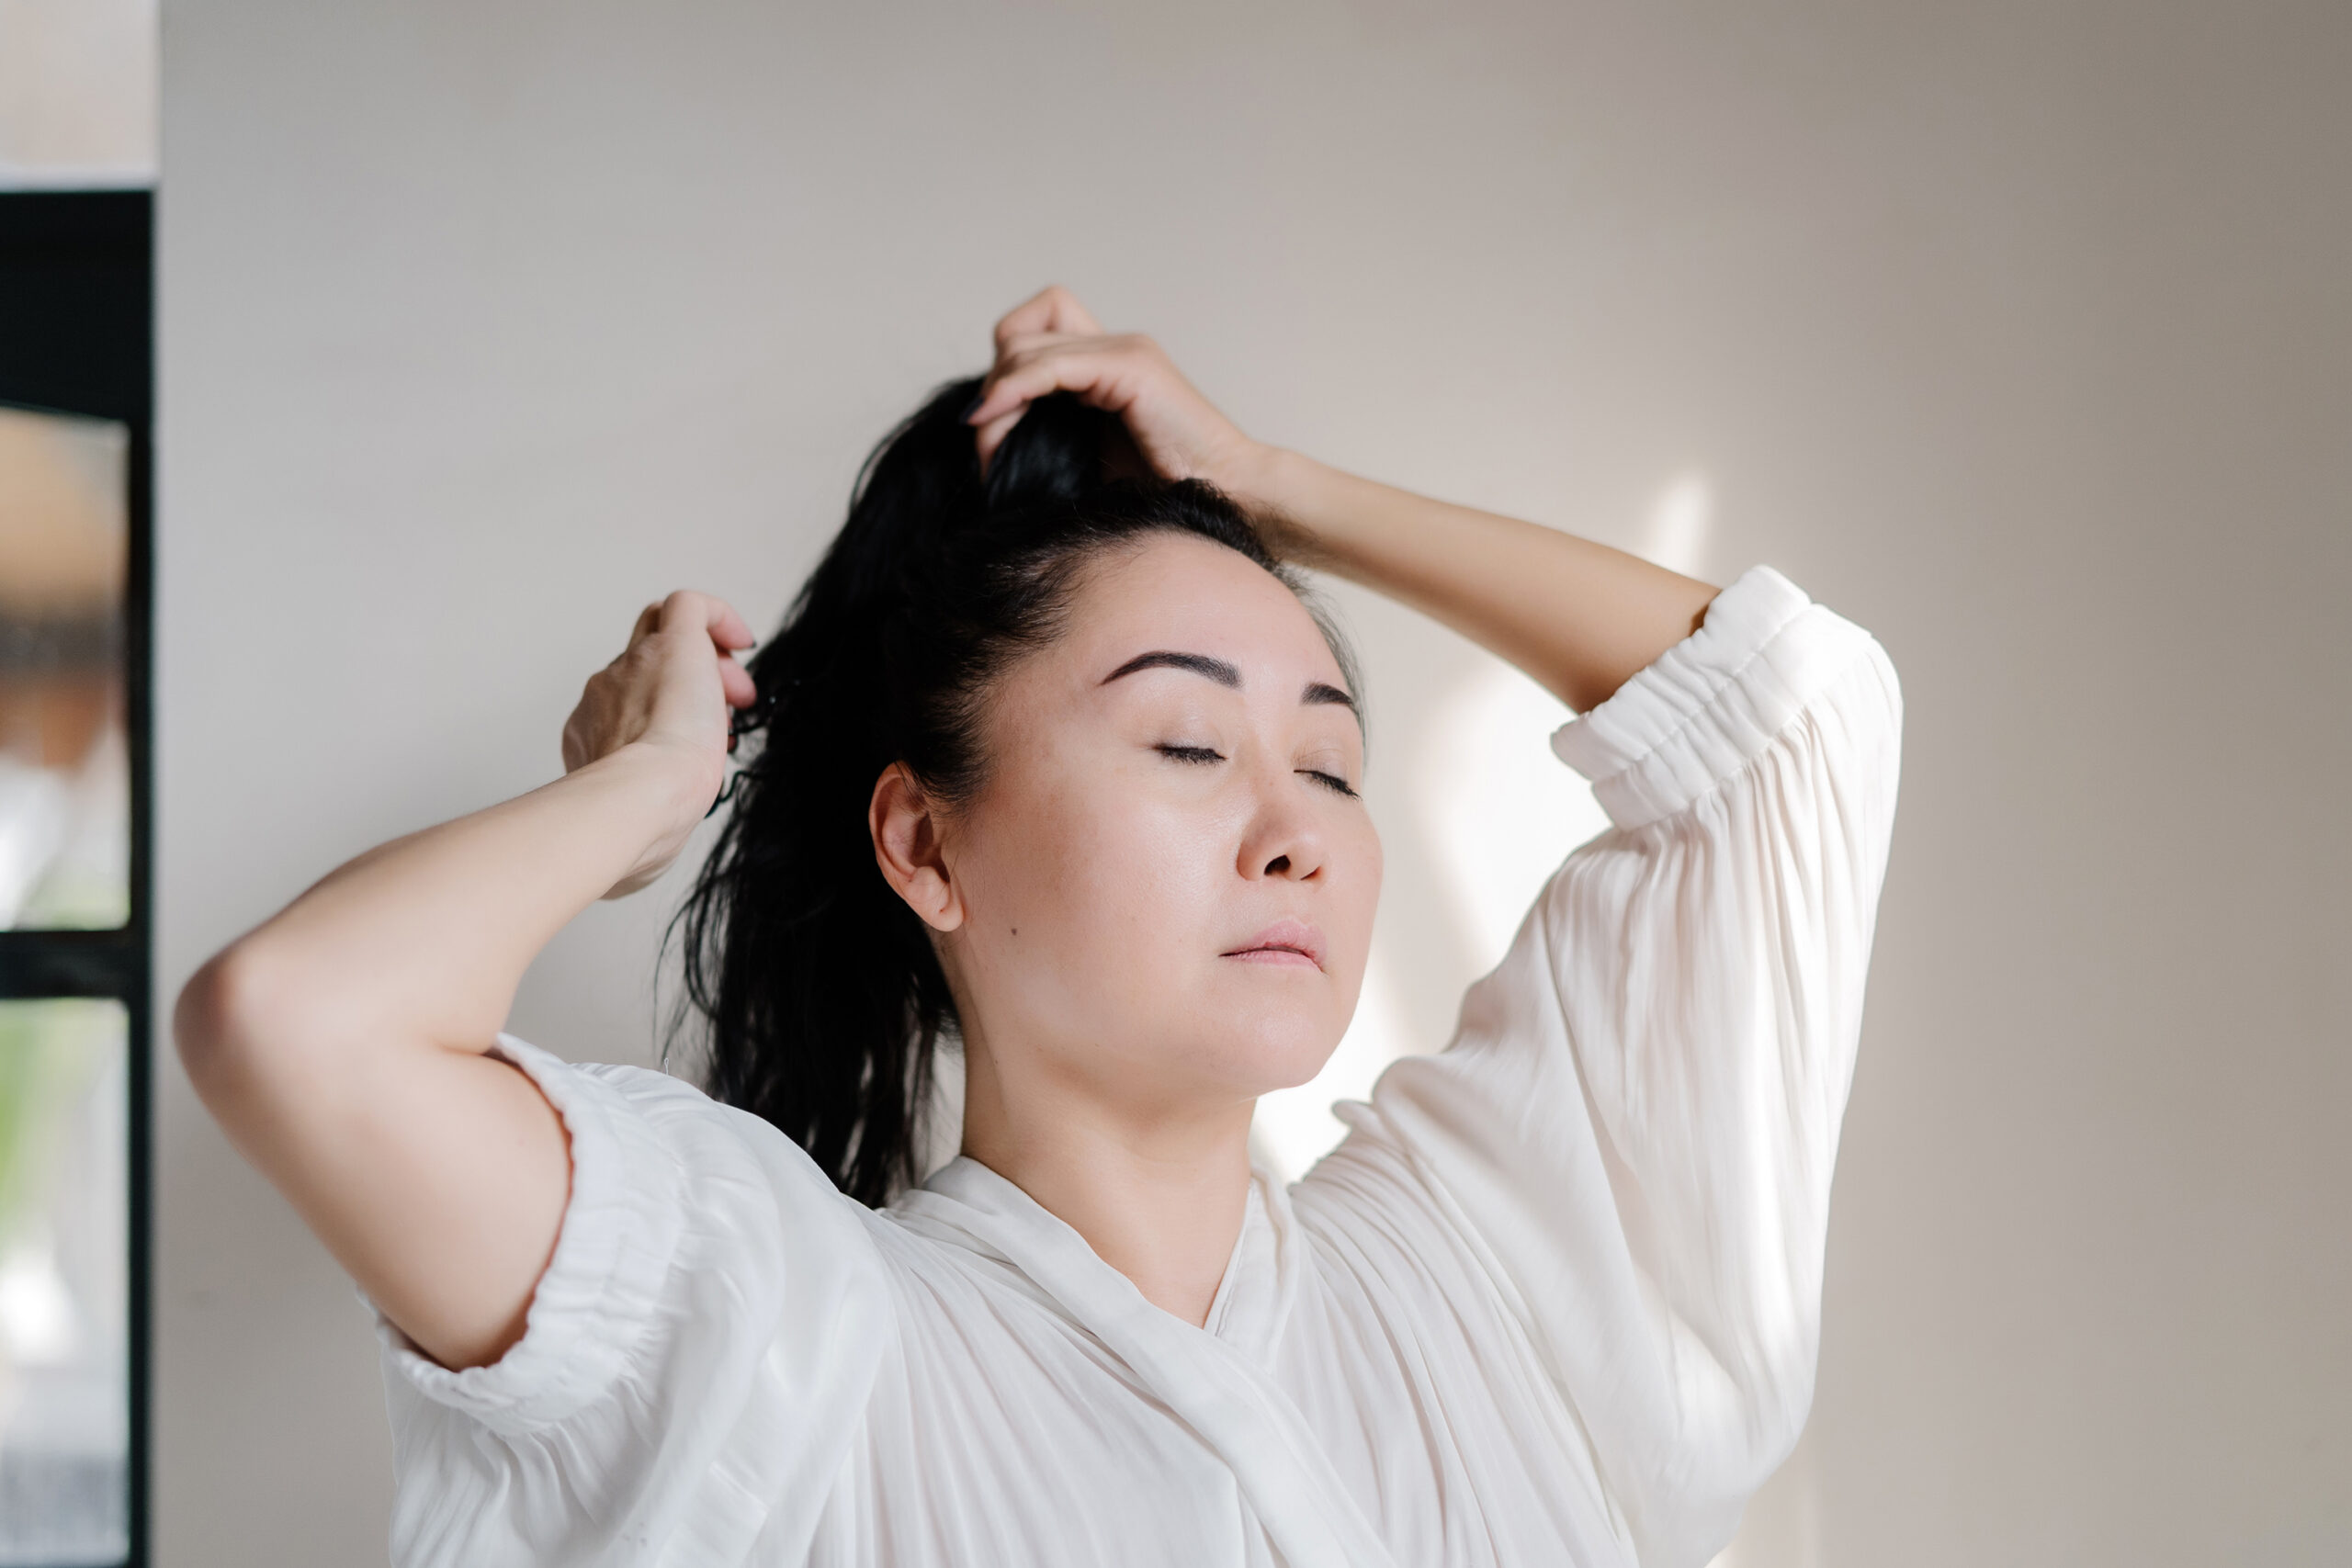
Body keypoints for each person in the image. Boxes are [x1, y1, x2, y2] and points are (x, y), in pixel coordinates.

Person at [175, 286, 1903, 1567]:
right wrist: (642, 792)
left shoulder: (1500, 1277)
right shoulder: (780, 1338)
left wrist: (1266, 486)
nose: (1296, 828)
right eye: (1186, 744)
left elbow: (1788, 724)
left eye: (1333, 760)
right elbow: (299, 1026)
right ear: (924, 844)